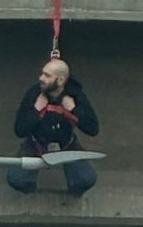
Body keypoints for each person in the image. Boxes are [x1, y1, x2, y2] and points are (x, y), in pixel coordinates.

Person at [7, 58, 98, 196]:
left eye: (47, 75)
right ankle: (29, 189)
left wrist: (74, 109)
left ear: (60, 80)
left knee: (86, 179)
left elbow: (93, 129)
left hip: (67, 145)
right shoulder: (34, 93)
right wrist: (36, 110)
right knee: (16, 179)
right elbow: (19, 130)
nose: (41, 78)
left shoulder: (75, 95)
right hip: (36, 143)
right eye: (43, 73)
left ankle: (74, 190)